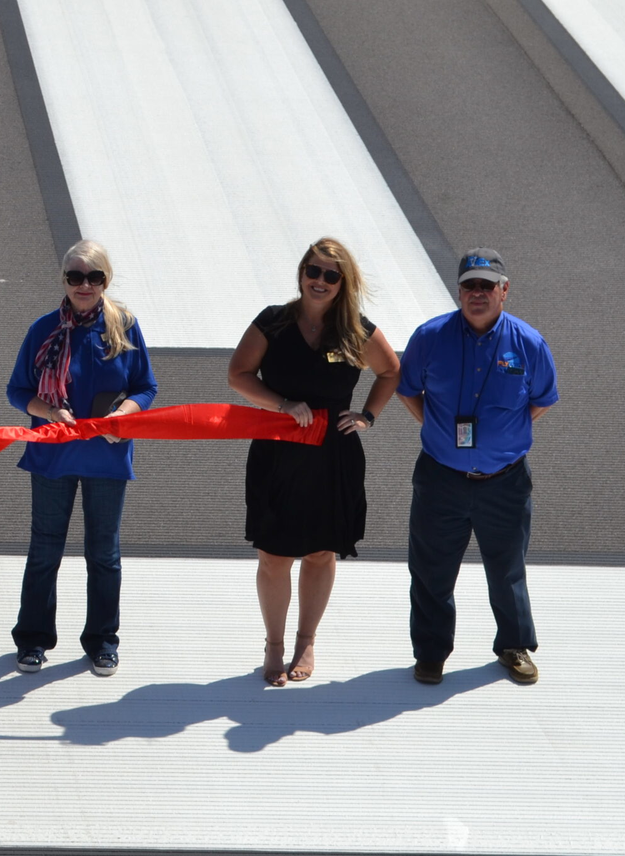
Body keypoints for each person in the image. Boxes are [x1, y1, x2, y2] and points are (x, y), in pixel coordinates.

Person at [227, 238, 400, 686]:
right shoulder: (274, 322)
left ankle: (306, 641)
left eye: (330, 275)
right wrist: (282, 403)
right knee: (273, 555)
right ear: (301, 273)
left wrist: (367, 415)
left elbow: (391, 371)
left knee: (321, 552)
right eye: (313, 271)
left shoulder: (356, 330)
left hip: (333, 455)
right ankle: (275, 644)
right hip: (278, 451)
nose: (319, 281)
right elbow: (238, 374)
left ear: (344, 282)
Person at [397, 249, 558, 686]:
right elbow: (408, 389)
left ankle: (514, 646)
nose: (478, 293)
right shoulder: (429, 337)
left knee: (507, 569)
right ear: (459, 291)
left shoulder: (528, 343)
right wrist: (439, 431)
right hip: (440, 477)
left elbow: (542, 401)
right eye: (470, 285)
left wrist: (501, 440)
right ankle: (430, 654)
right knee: (431, 571)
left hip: (504, 481)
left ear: (505, 291)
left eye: (488, 285)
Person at [5, 240, 157, 677]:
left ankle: (102, 642)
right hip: (53, 457)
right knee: (44, 551)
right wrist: (51, 412)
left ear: (106, 280)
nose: (84, 285)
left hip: (107, 460)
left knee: (104, 554)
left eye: (94, 277)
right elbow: (18, 391)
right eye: (75, 276)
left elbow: (146, 387)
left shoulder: (124, 326)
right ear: (64, 281)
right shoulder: (43, 329)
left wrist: (121, 416)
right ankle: (33, 639)